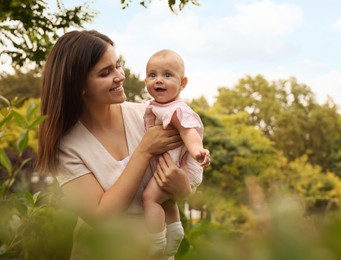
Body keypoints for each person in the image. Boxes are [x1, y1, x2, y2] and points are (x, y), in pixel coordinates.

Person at [35, 30, 194, 259]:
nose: (120, 76)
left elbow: (183, 166)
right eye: (105, 72)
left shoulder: (148, 116)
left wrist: (184, 189)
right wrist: (144, 150)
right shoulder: (66, 147)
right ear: (79, 85)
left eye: (117, 65)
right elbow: (100, 216)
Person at [142, 49, 210, 258]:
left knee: (150, 199)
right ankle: (175, 230)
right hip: (169, 165)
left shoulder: (176, 110)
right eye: (152, 75)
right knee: (167, 201)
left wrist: (197, 151)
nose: (158, 80)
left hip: (173, 167)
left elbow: (188, 132)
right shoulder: (158, 106)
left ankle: (156, 241)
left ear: (183, 83)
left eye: (167, 75)